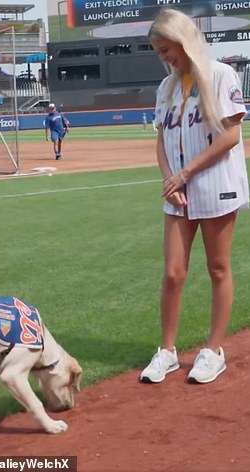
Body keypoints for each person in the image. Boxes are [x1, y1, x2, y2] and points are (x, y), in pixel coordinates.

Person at [140, 9, 249, 384]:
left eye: (165, 48)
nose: (163, 57)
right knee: (172, 273)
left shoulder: (220, 75)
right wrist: (172, 178)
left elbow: (231, 136)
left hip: (216, 184)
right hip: (179, 191)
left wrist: (187, 174)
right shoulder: (166, 88)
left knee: (218, 268)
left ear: (183, 41)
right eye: (158, 52)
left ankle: (213, 349)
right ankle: (167, 351)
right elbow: (161, 141)